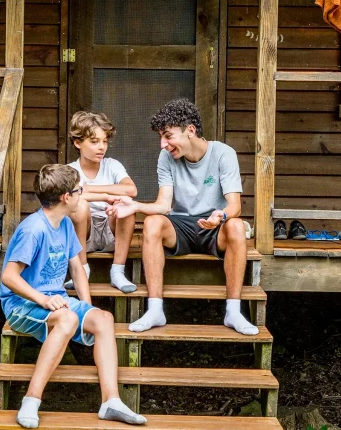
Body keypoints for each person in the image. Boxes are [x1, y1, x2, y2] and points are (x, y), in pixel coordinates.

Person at [0, 164, 147, 429]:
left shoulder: (65, 224)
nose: (83, 194)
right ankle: (31, 400)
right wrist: (43, 300)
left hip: (56, 301)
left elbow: (78, 268)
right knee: (66, 320)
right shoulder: (33, 229)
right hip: (20, 305)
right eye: (79, 190)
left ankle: (110, 401)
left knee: (103, 319)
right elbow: (9, 277)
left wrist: (87, 310)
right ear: (66, 197)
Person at [107, 99, 259, 336]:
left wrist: (221, 215)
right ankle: (155, 309)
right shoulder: (166, 158)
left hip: (215, 226)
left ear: (190, 131)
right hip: (181, 226)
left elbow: (235, 205)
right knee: (152, 222)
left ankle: (233, 311)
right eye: (161, 137)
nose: (163, 144)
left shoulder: (223, 153)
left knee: (237, 226)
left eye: (168, 136)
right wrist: (135, 206)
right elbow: (163, 205)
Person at [66, 111, 138, 293]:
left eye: (104, 141)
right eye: (94, 141)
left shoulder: (112, 165)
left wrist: (89, 190)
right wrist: (106, 196)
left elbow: (131, 190)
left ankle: (117, 272)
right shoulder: (70, 171)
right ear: (77, 143)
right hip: (84, 232)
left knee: (125, 205)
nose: (101, 147)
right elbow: (73, 198)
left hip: (111, 230)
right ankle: (81, 270)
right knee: (79, 206)